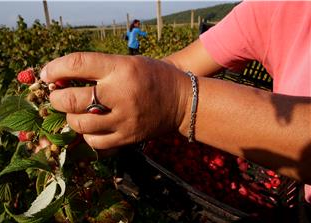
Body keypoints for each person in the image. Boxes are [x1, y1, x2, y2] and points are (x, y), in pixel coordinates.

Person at [40, 2, 311, 200]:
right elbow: (175, 68)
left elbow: (172, 87)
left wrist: (180, 102)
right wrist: (109, 107)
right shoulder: (272, 7)